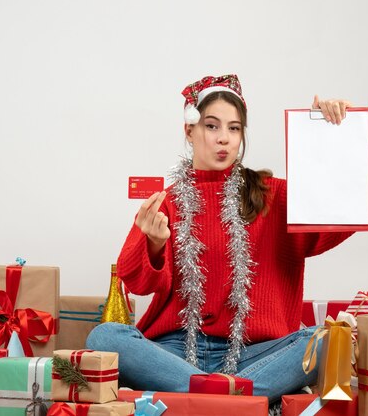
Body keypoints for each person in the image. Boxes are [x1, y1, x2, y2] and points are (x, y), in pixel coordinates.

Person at [86, 74, 354, 405]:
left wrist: (326, 136)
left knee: (326, 339)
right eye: (212, 126)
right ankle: (234, 399)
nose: (224, 139)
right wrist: (153, 243)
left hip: (255, 354)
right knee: (105, 336)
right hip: (176, 352)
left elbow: (339, 217)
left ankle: (206, 398)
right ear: (190, 130)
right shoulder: (167, 201)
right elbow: (134, 281)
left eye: (234, 128)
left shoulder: (274, 195)